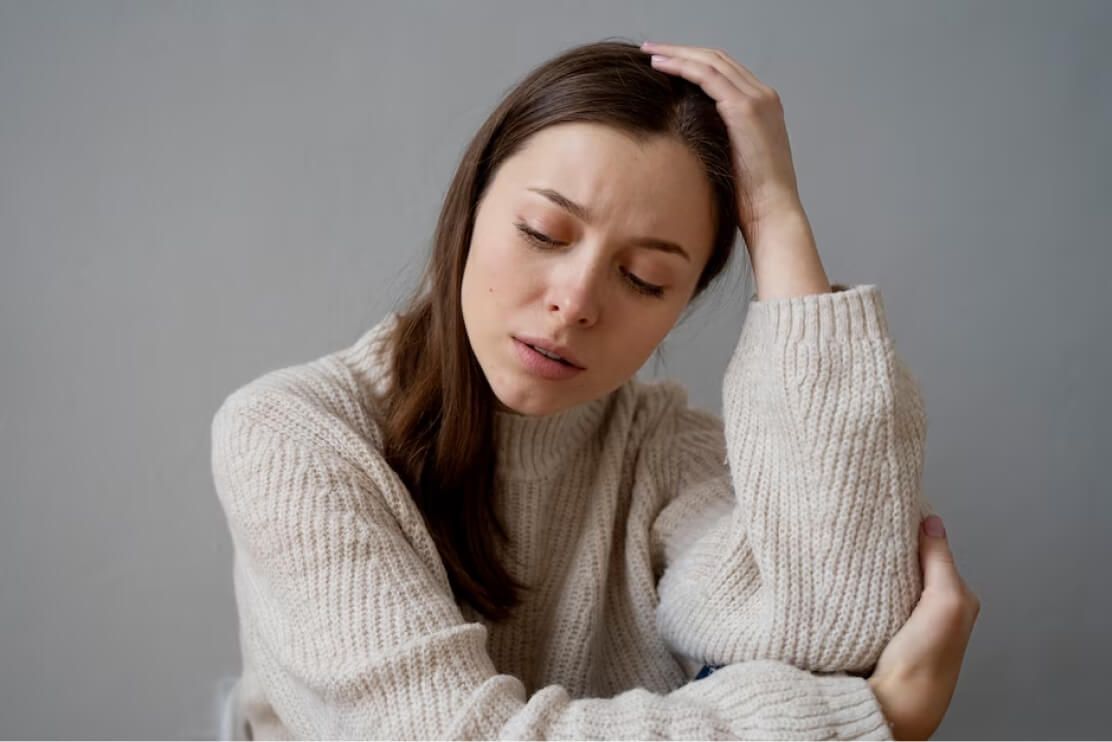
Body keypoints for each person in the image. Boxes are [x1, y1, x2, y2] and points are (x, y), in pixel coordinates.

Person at [210, 39, 979, 740]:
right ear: (470, 205)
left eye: (644, 278)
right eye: (544, 233)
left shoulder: (667, 455)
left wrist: (776, 218)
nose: (576, 301)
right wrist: (873, 719)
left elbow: (840, 621)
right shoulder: (292, 436)